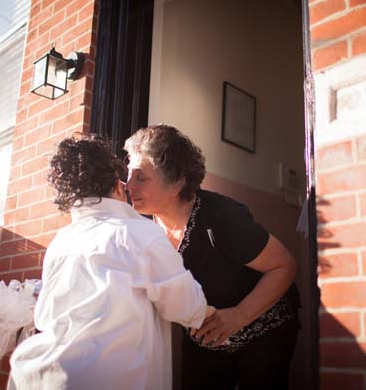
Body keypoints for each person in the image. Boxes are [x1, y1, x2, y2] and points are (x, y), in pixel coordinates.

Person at [9, 134, 214, 390]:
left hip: (45, 374)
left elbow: (45, 315)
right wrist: (210, 313)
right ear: (118, 187)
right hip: (110, 378)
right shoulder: (138, 233)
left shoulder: (61, 241)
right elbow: (185, 305)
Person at [124, 125, 300, 390]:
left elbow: (284, 266)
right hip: (205, 335)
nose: (129, 185)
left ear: (177, 183)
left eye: (141, 177)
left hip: (263, 324)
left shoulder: (221, 217)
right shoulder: (143, 229)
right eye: (129, 175)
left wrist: (239, 315)